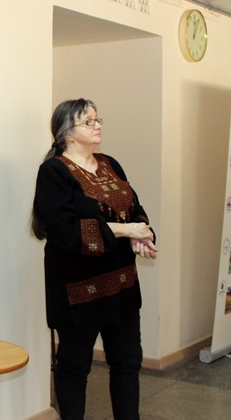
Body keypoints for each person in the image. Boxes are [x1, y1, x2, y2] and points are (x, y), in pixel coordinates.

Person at [31, 99, 158, 420]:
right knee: (74, 368)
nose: (98, 125)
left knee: (127, 363)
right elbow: (66, 231)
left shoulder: (110, 163)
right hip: (77, 292)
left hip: (122, 286)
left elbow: (134, 207)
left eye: (98, 119)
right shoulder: (54, 171)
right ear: (67, 132)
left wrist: (141, 234)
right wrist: (126, 230)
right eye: (89, 122)